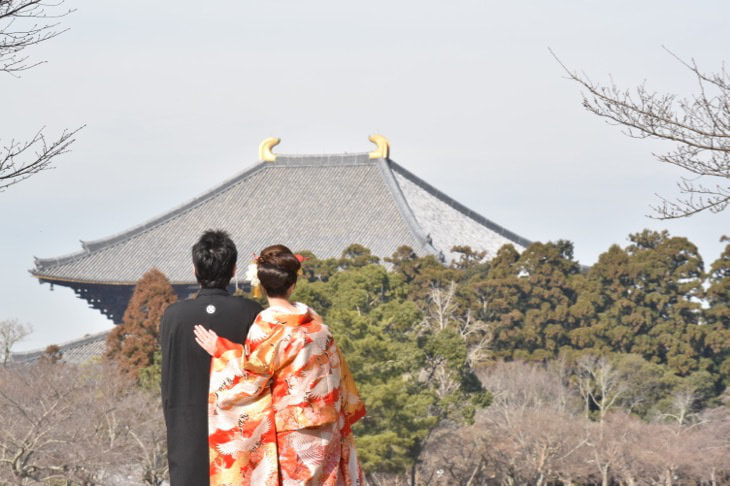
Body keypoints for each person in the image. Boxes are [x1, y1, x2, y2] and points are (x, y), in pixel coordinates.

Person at [194, 244, 366, 486]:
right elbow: (337, 377)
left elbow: (251, 381)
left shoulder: (266, 327)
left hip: (291, 433)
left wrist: (223, 351)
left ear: (261, 285)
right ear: (293, 284)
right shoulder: (319, 328)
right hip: (328, 429)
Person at [160, 230, 262, 486]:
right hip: (239, 430)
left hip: (186, 428)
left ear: (195, 270)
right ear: (234, 269)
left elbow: (168, 380)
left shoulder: (173, 316)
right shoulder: (251, 313)